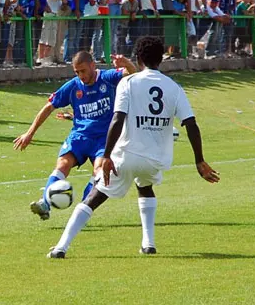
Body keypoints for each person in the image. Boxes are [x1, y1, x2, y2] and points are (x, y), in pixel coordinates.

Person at [47, 36, 219, 259]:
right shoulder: (174, 88)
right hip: (155, 160)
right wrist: (199, 160)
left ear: (138, 59)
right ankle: (149, 244)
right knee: (145, 185)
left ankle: (61, 247)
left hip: (126, 157)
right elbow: (191, 124)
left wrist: (107, 155)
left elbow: (117, 119)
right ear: (161, 59)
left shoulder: (128, 83)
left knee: (94, 198)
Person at [13, 50, 136, 220]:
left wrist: (126, 62)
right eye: (77, 72)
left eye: (83, 71)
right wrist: (30, 133)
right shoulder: (73, 86)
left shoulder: (107, 78)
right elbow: (49, 106)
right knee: (63, 164)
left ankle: (82, 209)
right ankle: (45, 204)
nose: (80, 75)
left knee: (99, 170)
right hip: (79, 136)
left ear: (93, 65)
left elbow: (133, 73)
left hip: (103, 139)